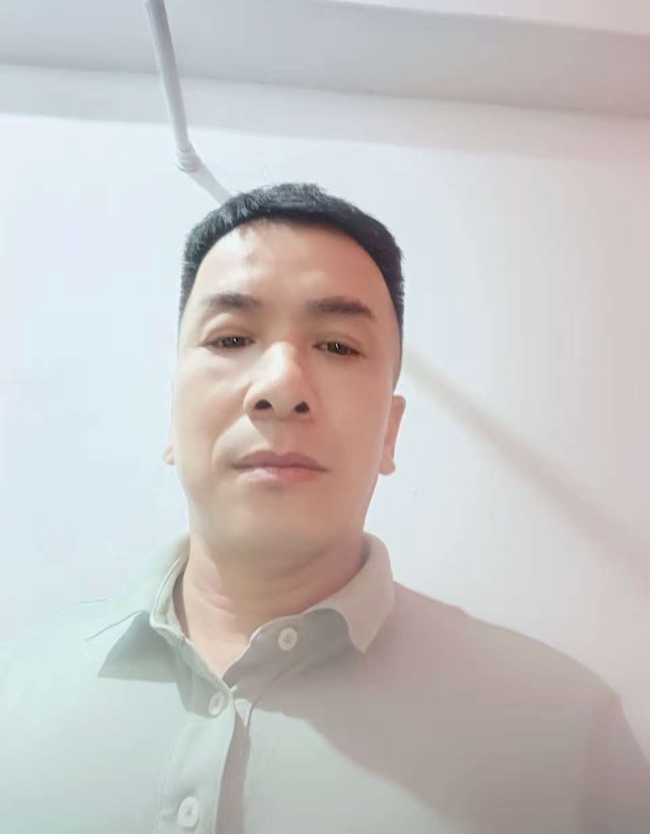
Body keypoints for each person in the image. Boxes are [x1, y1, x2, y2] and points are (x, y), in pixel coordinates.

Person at [1, 182, 649, 833]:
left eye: (338, 346)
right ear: (172, 414)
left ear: (390, 432)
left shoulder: (566, 742)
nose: (282, 386)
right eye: (231, 339)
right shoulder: (15, 694)